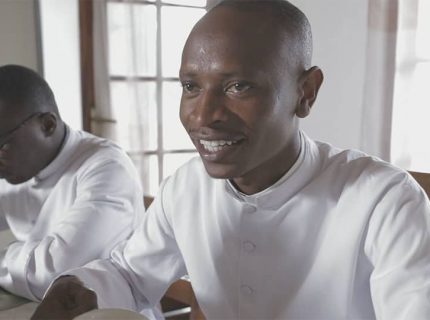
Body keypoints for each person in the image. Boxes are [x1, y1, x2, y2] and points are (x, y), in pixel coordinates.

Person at [32, 0, 430, 319]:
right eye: (191, 86)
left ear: (305, 92)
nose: (203, 116)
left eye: (238, 86)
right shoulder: (186, 188)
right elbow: (132, 275)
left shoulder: (385, 201)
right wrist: (77, 286)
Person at [0, 65, 160, 318]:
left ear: (48, 125)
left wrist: (6, 260)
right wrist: (23, 259)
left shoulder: (106, 167)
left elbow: (55, 273)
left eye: (2, 144)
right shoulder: (13, 167)